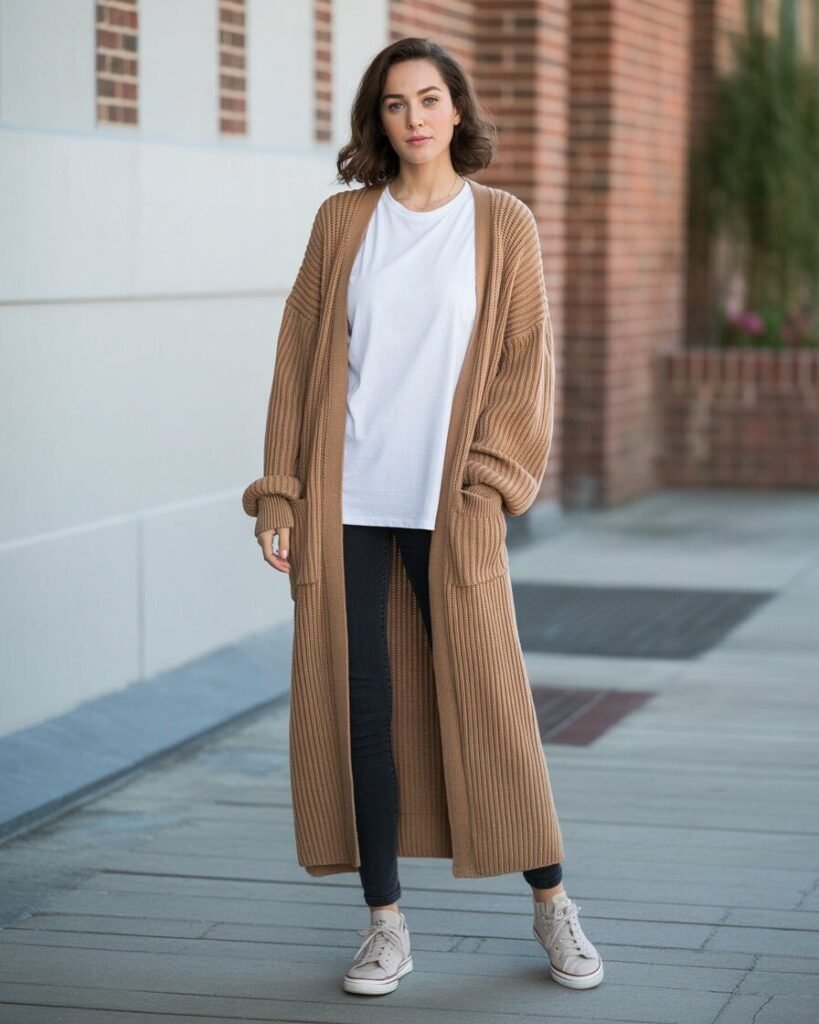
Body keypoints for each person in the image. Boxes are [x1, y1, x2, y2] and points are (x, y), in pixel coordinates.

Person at [243, 37, 603, 997]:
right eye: (395, 104)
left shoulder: (502, 223)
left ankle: (551, 900)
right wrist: (279, 489)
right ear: (378, 119)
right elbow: (296, 358)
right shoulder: (341, 224)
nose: (414, 119)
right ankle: (384, 923)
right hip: (347, 501)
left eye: (430, 99)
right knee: (362, 709)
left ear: (457, 110)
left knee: (488, 700)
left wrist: (487, 483)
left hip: (450, 507)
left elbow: (526, 366)